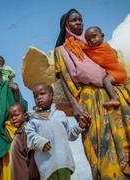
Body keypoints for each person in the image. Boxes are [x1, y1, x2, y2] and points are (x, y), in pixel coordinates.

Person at [54, 9, 130, 179]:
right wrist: (75, 107)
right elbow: (65, 80)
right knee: (101, 143)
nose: (79, 22)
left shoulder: (91, 43)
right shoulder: (62, 50)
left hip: (113, 93)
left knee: (123, 135)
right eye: (74, 20)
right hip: (90, 99)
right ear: (66, 25)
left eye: (80, 19)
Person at [26, 83, 89, 180]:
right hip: (47, 165)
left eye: (42, 94)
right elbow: (30, 138)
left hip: (63, 160)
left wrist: (80, 126)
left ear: (51, 96)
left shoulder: (60, 114)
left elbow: (70, 134)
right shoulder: (32, 120)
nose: (39, 98)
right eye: (35, 96)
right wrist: (40, 143)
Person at [65, 26, 127, 107]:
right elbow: (81, 46)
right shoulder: (93, 48)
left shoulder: (105, 47)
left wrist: (72, 42)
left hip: (118, 72)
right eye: (88, 40)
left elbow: (82, 46)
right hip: (112, 72)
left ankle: (114, 99)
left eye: (94, 36)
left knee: (106, 81)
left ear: (102, 36)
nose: (92, 40)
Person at [5, 103, 40, 180]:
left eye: (16, 115)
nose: (13, 118)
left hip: (29, 174)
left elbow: (33, 149)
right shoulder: (17, 134)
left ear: (24, 116)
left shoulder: (27, 130)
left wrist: (33, 166)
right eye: (11, 117)